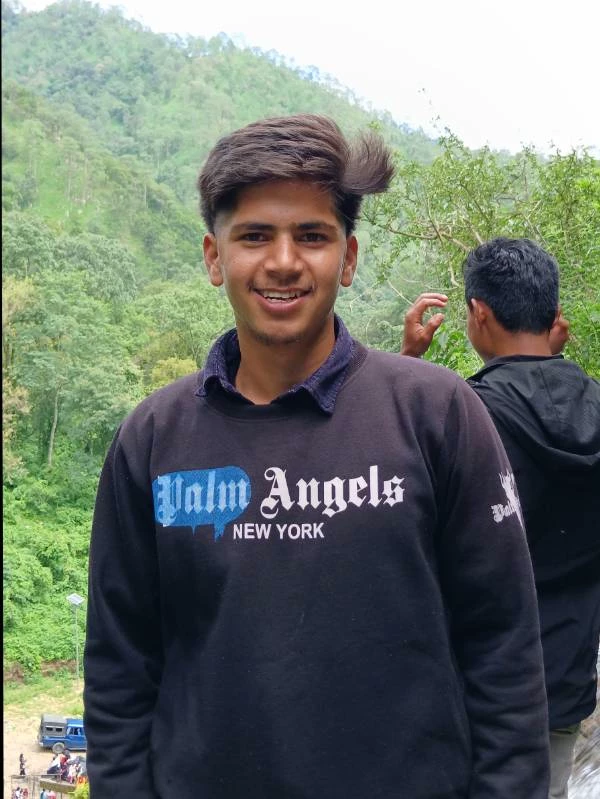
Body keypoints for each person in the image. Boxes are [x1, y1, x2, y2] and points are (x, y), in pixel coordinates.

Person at [84, 115, 550, 798]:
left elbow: (504, 648)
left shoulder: (437, 413)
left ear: (349, 258)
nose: (283, 261)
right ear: (214, 257)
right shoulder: (153, 438)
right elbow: (120, 667)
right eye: (254, 236)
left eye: (311, 235)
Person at [401, 237, 600, 799]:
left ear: (478, 313)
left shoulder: (466, 415)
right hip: (561, 686)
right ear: (553, 315)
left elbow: (388, 502)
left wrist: (406, 363)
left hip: (473, 688)